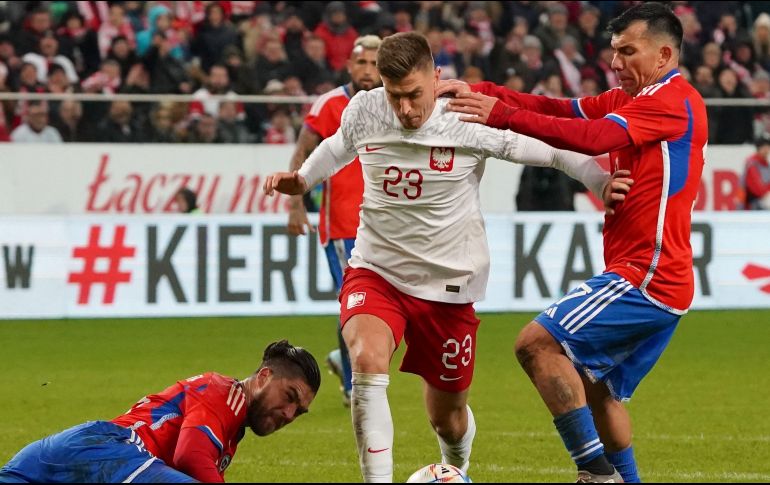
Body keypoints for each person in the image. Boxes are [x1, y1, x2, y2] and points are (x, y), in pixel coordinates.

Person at [264, 32, 628, 483]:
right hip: (377, 269)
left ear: (436, 79)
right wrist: (301, 180)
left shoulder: (465, 117)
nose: (405, 109)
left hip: (449, 285)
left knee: (448, 420)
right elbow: (339, 145)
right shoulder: (366, 109)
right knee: (366, 361)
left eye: (415, 95)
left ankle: (454, 466)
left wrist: (598, 182)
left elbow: (550, 151)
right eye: (395, 96)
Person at [444, 3, 707, 482]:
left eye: (628, 51)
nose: (615, 63)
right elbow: (558, 110)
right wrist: (481, 93)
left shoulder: (674, 100)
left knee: (536, 344)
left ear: (665, 55)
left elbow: (590, 137)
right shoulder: (629, 98)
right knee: (600, 392)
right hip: (662, 281)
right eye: (613, 51)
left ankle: (597, 474)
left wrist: (500, 116)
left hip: (646, 274)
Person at [0, 340, 320, 483]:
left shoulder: (229, 429)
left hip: (57, 458)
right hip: (108, 449)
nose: (290, 414)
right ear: (264, 376)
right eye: (290, 396)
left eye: (299, 412)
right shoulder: (224, 392)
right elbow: (190, 456)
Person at [285, 35, 382, 407]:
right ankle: (356, 386)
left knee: (384, 307)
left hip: (385, 225)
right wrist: (296, 206)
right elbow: (302, 153)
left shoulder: (393, 103)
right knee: (357, 303)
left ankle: (347, 363)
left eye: (375, 64)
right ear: (349, 66)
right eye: (362, 63)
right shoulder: (330, 105)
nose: (368, 71)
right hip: (343, 226)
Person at [743, 133, 770, 210]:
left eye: (768, 147)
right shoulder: (752, 163)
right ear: (758, 148)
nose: (767, 150)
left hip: (763, 199)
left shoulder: (766, 163)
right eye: (764, 147)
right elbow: (759, 189)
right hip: (753, 202)